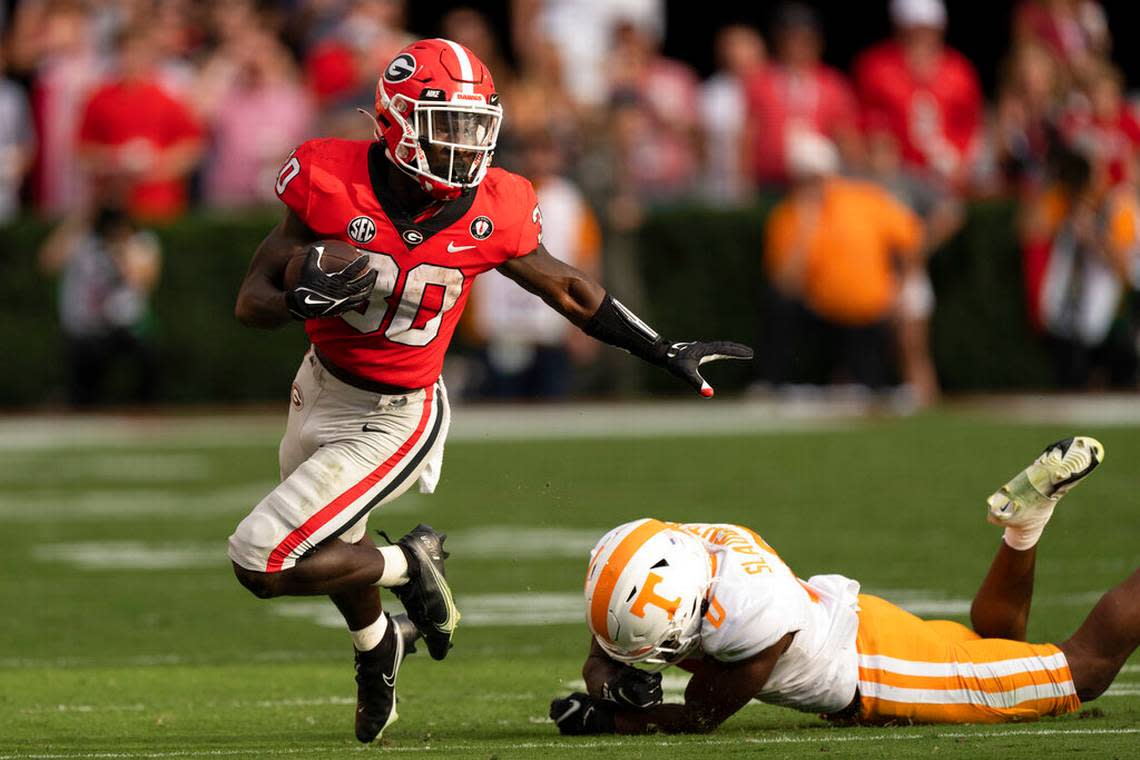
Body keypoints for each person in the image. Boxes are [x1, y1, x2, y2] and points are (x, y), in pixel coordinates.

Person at [227, 38, 751, 745]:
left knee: (264, 560)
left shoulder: (494, 206)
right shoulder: (328, 176)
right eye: (445, 126)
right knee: (332, 541)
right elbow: (251, 300)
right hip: (317, 388)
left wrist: (660, 347)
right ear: (393, 123)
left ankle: (410, 562)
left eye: (474, 126)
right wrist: (298, 299)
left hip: (398, 414)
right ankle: (377, 642)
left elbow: (569, 287)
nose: (464, 145)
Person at [550, 436, 1139, 734]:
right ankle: (1024, 526)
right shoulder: (666, 552)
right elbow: (607, 645)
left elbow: (700, 716)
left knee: (1079, 671)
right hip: (862, 624)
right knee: (999, 642)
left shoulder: (753, 618)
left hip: (881, 674)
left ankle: (1032, 529)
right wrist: (608, 685)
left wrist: (616, 715)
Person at [760, 131, 924, 392]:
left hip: (869, 314)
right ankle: (777, 382)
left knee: (869, 381)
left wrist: (900, 288)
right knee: (781, 308)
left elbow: (910, 239)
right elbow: (785, 285)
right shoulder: (788, 216)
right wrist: (805, 229)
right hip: (820, 313)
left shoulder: (865, 199)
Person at [38, 204, 161, 407]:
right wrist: (79, 220)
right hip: (92, 328)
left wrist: (120, 254)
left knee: (148, 356)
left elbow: (144, 280)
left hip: (128, 326)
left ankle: (145, 409)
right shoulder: (87, 244)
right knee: (85, 366)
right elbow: (47, 261)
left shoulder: (141, 243)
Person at [853, 0, 983, 189]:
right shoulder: (876, 67)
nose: (922, 39)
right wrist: (876, 149)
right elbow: (861, 121)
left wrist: (961, 160)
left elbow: (971, 125)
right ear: (899, 30)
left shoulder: (960, 72)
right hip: (894, 174)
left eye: (929, 30)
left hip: (948, 175)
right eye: (913, 31)